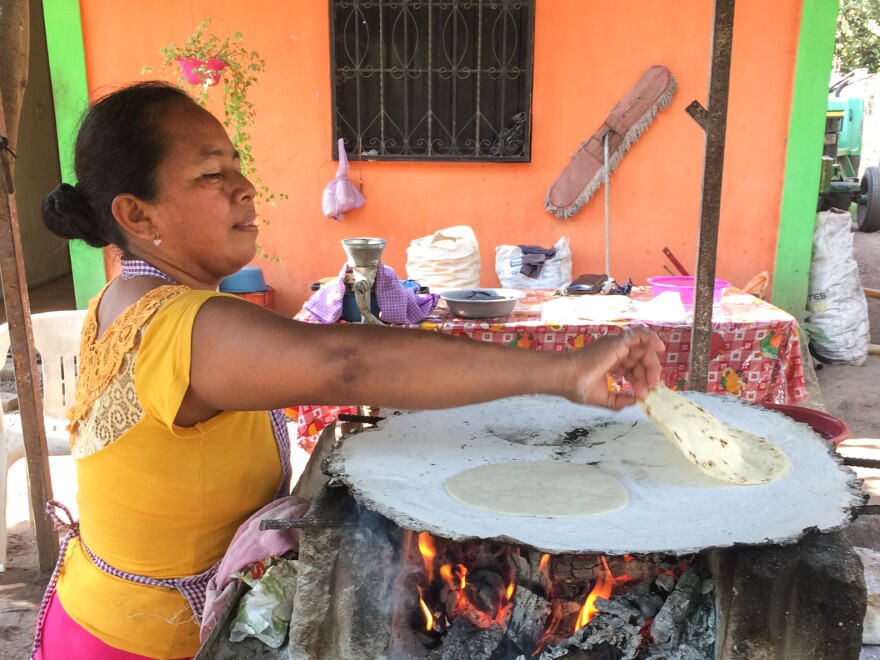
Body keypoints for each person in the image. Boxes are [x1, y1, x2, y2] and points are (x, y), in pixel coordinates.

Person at [34, 81, 664, 659]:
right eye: (210, 173)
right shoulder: (182, 325)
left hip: (93, 613)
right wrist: (562, 373)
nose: (244, 185)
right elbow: (346, 361)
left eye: (235, 163)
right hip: (145, 642)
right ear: (137, 216)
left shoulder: (121, 300)